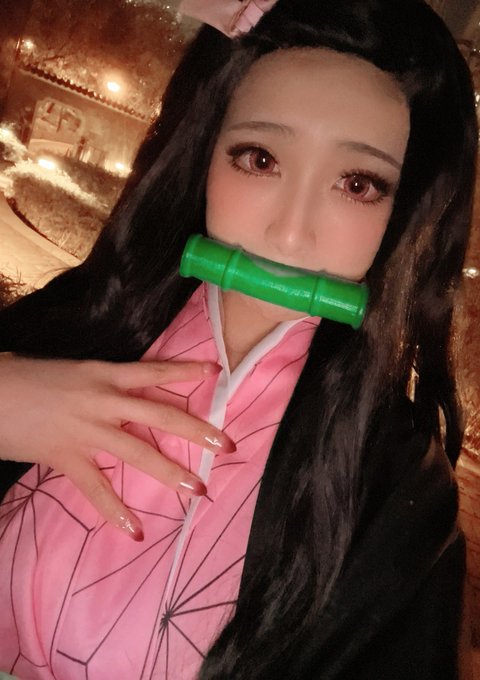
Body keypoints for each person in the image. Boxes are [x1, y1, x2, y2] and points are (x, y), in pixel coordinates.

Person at [0, 0, 477, 677]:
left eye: (357, 183)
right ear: (204, 154)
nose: (291, 232)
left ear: (404, 212)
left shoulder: (397, 483)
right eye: (259, 158)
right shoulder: (75, 326)